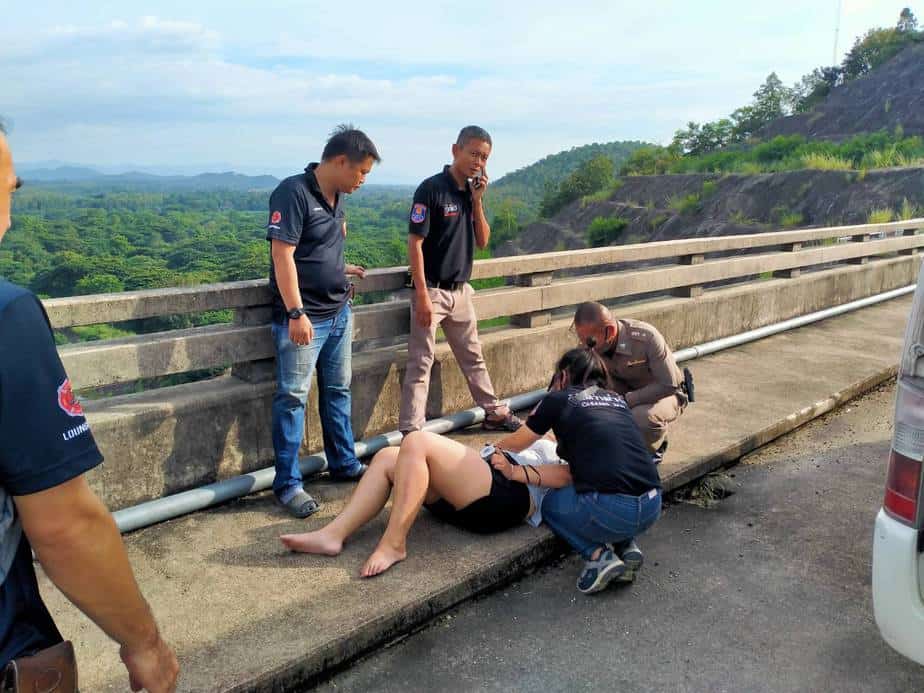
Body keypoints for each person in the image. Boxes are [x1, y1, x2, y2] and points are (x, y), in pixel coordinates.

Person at [0, 124, 179, 689]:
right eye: (9, 190)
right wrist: (144, 642)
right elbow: (65, 525)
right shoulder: (8, 316)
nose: (10, 216)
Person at [266, 125, 380, 518]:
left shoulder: (338, 197)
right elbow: (283, 256)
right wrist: (295, 312)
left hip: (338, 312)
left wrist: (340, 269)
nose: (362, 180)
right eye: (361, 171)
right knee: (292, 399)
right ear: (341, 161)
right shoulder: (293, 192)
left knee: (338, 391)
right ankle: (288, 485)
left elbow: (319, 247)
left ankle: (344, 463)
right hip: (305, 319)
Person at [493, 346, 662, 594]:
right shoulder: (616, 399)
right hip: (652, 505)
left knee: (548, 504)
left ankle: (598, 556)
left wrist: (495, 455)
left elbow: (517, 443)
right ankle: (626, 545)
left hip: (614, 510)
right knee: (609, 483)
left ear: (563, 375)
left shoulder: (559, 400)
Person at [279, 435, 569, 578]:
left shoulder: (575, 438)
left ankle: (394, 544)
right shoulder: (543, 430)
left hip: (508, 495)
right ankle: (333, 535)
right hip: (481, 486)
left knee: (417, 441)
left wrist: (515, 469)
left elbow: (569, 476)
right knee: (387, 456)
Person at [399, 125, 522, 436]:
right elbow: (414, 243)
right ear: (456, 150)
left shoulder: (470, 193)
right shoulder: (431, 189)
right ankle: (412, 431)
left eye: (484, 157)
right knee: (421, 363)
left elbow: (483, 240)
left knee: (473, 357)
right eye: (473, 154)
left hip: (461, 291)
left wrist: (478, 201)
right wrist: (422, 294)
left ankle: (493, 412)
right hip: (432, 291)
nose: (478, 162)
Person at [571, 301, 686, 461]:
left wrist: (626, 400)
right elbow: (584, 384)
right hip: (621, 391)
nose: (584, 345)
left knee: (640, 418)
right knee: (579, 404)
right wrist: (572, 400)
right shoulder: (590, 344)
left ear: (610, 332)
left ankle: (654, 446)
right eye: (580, 338)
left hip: (662, 395)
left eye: (589, 340)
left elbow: (668, 384)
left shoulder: (646, 338)